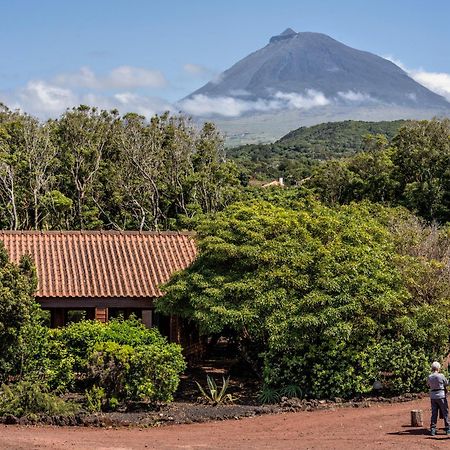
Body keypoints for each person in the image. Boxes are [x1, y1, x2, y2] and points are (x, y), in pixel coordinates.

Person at [427, 361, 450, 436]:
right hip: (441, 396)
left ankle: (433, 429)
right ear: (438, 368)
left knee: (434, 413)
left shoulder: (430, 376)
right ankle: (447, 428)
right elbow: (446, 383)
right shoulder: (441, 375)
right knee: (445, 412)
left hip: (433, 396)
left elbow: (428, 384)